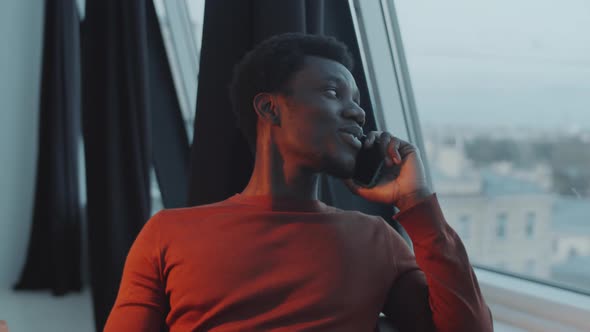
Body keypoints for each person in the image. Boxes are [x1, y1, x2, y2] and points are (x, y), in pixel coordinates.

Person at [104, 33, 493, 331]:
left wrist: (416, 201)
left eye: (355, 98)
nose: (358, 112)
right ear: (270, 108)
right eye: (332, 92)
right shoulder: (167, 233)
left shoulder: (377, 239)